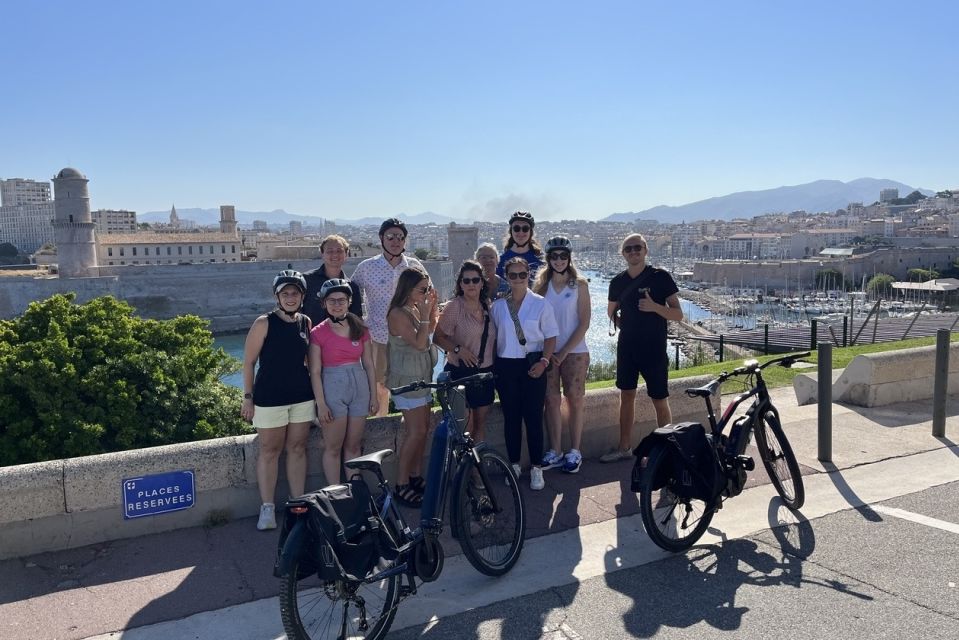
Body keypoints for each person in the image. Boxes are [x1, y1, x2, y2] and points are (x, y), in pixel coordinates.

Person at [241, 270, 315, 530]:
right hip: (269, 398)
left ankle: (297, 504)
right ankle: (267, 507)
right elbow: (249, 363)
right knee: (270, 451)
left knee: (297, 449)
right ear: (277, 296)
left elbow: (309, 362)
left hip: (301, 396)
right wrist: (247, 398)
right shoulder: (264, 323)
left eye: (295, 293)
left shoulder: (305, 322)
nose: (291, 297)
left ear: (302, 296)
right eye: (286, 293)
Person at [601, 234, 684, 463]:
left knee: (659, 398)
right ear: (623, 253)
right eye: (628, 249)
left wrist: (655, 307)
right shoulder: (617, 282)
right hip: (627, 347)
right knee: (626, 396)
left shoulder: (661, 277)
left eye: (637, 248)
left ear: (645, 250)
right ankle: (624, 447)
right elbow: (610, 312)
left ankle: (668, 451)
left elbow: (678, 314)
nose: (633, 252)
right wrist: (624, 325)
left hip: (654, 348)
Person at [491, 256, 558, 491]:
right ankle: (514, 464)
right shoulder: (498, 307)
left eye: (522, 275)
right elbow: (492, 337)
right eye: (513, 275)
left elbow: (551, 336)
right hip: (506, 366)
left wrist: (544, 361)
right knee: (511, 418)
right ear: (507, 278)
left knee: (533, 418)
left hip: (533, 365)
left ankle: (537, 468)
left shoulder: (541, 304)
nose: (518, 279)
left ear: (528, 276)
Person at [352, 218, 425, 416]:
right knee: (379, 389)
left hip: (408, 339)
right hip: (379, 338)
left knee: (411, 389)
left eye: (400, 237)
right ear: (381, 239)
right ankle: (381, 431)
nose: (395, 241)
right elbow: (350, 297)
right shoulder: (367, 267)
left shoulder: (414, 266)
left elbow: (428, 295)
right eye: (390, 237)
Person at [308, 278, 378, 486]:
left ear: (349, 302)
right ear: (324, 304)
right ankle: (335, 491)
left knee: (354, 445)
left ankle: (355, 489)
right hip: (332, 386)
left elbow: (369, 364)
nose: (337, 304)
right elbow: (315, 370)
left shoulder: (360, 328)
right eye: (332, 301)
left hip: (359, 386)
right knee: (333, 447)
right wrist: (321, 403)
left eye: (341, 300)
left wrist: (374, 395)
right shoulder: (317, 332)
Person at [532, 237, 591, 474]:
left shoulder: (580, 285)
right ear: (548, 259)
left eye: (563, 256)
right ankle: (555, 449)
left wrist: (565, 350)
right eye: (554, 256)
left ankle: (575, 450)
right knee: (551, 401)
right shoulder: (541, 287)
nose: (558, 260)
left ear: (569, 258)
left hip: (574, 351)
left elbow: (584, 322)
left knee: (575, 399)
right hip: (548, 352)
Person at [386, 266, 438, 506]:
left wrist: (431, 310)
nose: (425, 293)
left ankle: (415, 476)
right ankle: (401, 483)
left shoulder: (414, 309)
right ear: (408, 289)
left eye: (428, 289)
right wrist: (426, 313)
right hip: (407, 381)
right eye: (422, 289)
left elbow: (429, 335)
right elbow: (419, 344)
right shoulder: (398, 314)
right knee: (415, 432)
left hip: (421, 378)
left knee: (424, 430)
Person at [433, 260, 497, 443]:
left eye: (475, 280)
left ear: (482, 283)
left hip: (484, 372)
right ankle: (463, 468)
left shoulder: (487, 306)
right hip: (460, 371)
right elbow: (438, 337)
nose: (471, 284)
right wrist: (458, 349)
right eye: (466, 280)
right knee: (465, 425)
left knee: (479, 424)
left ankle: (476, 470)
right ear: (460, 284)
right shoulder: (454, 307)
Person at [302, 235, 362, 326]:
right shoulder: (306, 280)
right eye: (330, 251)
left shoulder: (352, 287)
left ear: (346, 254)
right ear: (322, 254)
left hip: (341, 339)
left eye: (339, 251)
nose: (335, 254)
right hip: (310, 338)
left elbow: (356, 320)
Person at [496, 211, 543, 284]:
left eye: (525, 229)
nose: (521, 232)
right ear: (511, 231)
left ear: (531, 232)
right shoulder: (500, 260)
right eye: (516, 228)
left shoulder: (541, 259)